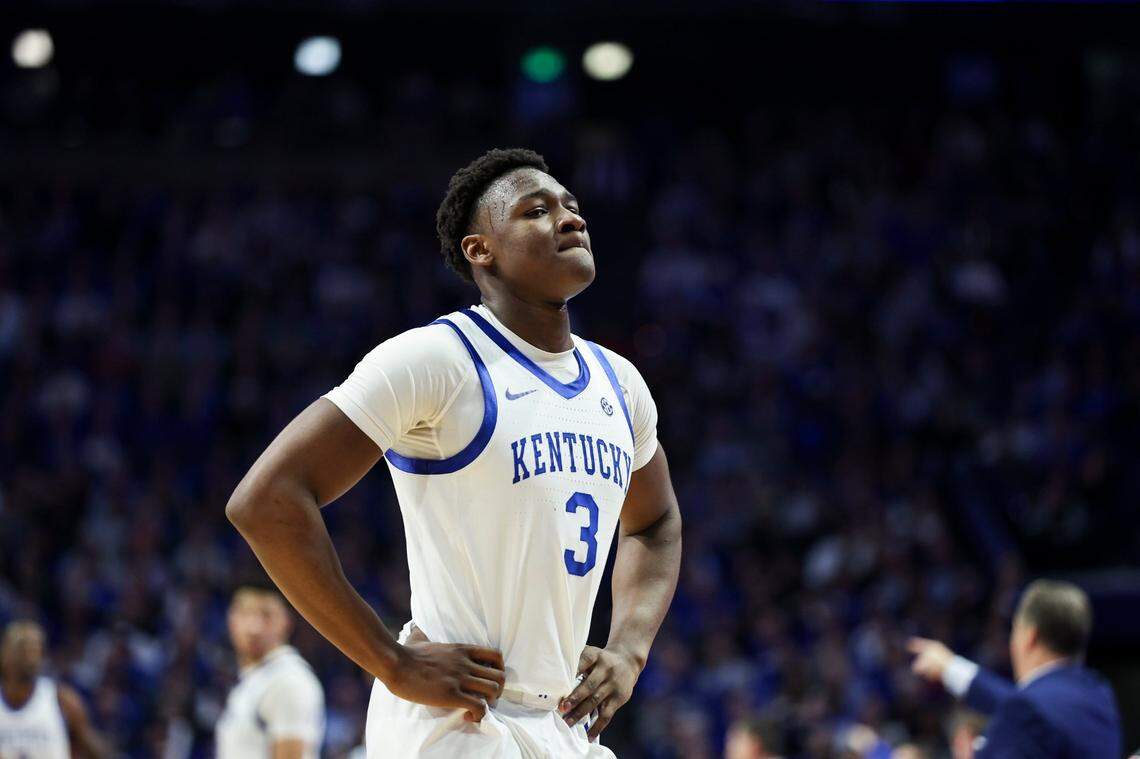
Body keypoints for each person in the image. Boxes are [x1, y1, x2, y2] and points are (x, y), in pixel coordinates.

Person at [226, 147, 683, 757]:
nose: (570, 219)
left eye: (572, 207)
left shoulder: (620, 383)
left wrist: (628, 648)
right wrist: (390, 660)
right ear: (480, 250)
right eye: (536, 211)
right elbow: (265, 501)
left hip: (564, 722)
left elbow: (655, 522)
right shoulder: (435, 359)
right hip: (457, 721)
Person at [908, 579, 1121, 758]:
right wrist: (951, 667)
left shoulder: (1028, 711)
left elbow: (1026, 708)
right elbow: (1032, 708)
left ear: (1029, 637)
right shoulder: (1099, 695)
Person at [216, 580, 326, 758]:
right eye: (245, 613)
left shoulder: (288, 680)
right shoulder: (257, 678)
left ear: (287, 621)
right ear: (231, 619)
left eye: (266, 615)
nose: (254, 627)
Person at [0, 620, 111, 758]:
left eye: (35, 649)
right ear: (4, 654)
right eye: (22, 649)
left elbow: (95, 749)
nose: (30, 656)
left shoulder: (62, 699)